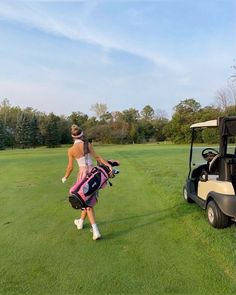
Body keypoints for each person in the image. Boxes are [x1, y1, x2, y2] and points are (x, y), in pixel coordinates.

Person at [62, 124, 112, 240]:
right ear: (82, 134)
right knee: (86, 201)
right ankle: (80, 222)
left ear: (72, 137)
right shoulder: (87, 144)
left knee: (87, 204)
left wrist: (65, 177)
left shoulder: (71, 150)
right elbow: (98, 158)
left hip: (83, 177)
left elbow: (70, 168)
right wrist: (108, 165)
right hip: (94, 175)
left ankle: (95, 231)